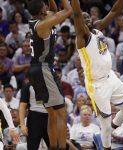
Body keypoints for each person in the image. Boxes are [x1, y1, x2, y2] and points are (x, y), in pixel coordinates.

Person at [71, 0, 123, 149]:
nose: (86, 19)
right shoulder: (82, 36)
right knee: (105, 124)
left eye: (88, 18)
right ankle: (106, 146)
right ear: (79, 22)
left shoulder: (97, 28)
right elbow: (76, 13)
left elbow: (114, 11)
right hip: (97, 85)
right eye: (83, 18)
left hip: (110, 77)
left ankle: (107, 132)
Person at [27, 0, 72, 149]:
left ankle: (53, 147)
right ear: (42, 11)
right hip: (43, 68)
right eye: (44, 5)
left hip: (37, 69)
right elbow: (68, 11)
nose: (47, 6)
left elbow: (54, 9)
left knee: (52, 113)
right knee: (61, 113)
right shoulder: (42, 25)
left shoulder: (38, 20)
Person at [19, 77, 50, 150]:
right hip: (34, 118)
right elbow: (22, 106)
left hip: (50, 118)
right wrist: (22, 125)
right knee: (32, 147)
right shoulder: (28, 86)